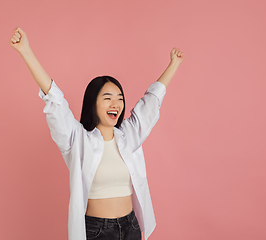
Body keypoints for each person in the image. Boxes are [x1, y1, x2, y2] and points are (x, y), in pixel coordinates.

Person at [10, 27, 184, 240]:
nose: (116, 104)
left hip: (131, 226)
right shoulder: (77, 139)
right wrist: (26, 52)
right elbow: (55, 100)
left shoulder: (128, 135)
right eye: (108, 98)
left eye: (120, 98)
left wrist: (173, 64)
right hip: (97, 231)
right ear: (93, 103)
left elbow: (151, 102)